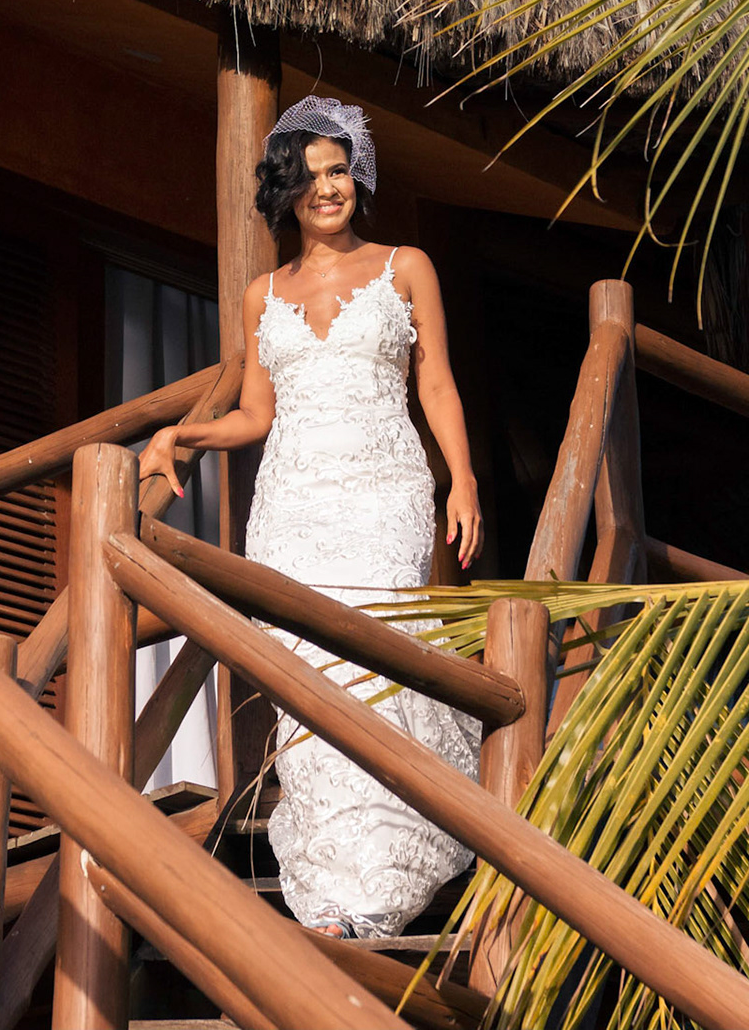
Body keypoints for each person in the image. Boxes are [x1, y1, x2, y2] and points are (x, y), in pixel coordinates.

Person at [140, 95, 483, 939]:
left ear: (357, 179)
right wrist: (183, 433)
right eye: (309, 176)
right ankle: (332, 896)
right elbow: (258, 412)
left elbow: (434, 381)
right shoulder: (262, 294)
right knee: (311, 686)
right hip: (290, 502)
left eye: (340, 172)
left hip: (385, 491)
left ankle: (383, 887)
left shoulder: (408, 266)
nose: (327, 189)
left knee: (374, 663)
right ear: (285, 191)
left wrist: (462, 479)